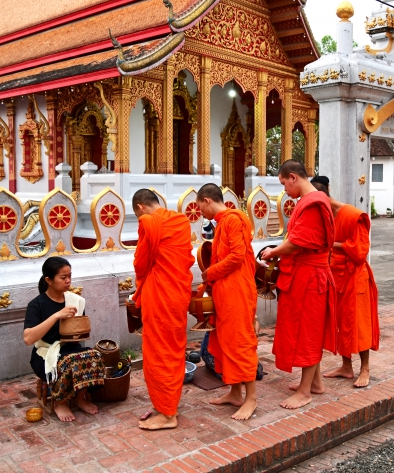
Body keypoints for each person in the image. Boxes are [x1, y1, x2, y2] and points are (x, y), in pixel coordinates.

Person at [260, 160, 337, 409]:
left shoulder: (313, 202)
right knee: (306, 329)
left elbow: (297, 243)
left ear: (293, 177)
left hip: (310, 276)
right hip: (305, 273)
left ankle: (305, 392)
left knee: (308, 333)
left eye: (284, 184)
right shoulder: (311, 200)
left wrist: (273, 252)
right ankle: (315, 383)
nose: (285, 191)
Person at [131, 189, 194, 430]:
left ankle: (168, 415)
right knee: (174, 350)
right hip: (178, 293)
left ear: (140, 208)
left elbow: (141, 263)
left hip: (160, 294)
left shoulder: (148, 222)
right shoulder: (180, 220)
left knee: (158, 352)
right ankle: (167, 405)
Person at [196, 183, 259, 420]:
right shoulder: (223, 222)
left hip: (237, 292)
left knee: (241, 342)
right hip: (226, 292)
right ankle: (235, 392)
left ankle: (251, 398)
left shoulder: (234, 219)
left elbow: (236, 256)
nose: (200, 211)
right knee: (225, 342)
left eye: (200, 206)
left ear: (207, 200)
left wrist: (210, 273)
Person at [312, 181, 380, 388]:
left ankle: (365, 368)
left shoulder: (352, 215)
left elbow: (360, 251)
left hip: (355, 276)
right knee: (340, 322)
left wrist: (333, 244)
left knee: (358, 324)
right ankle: (346, 366)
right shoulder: (325, 216)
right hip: (335, 275)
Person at [23, 257, 105, 422]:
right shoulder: (36, 305)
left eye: (70, 276)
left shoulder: (75, 301)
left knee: (94, 355)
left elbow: (79, 332)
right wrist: (56, 316)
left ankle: (80, 398)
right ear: (49, 280)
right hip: (45, 355)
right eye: (63, 277)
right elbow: (28, 338)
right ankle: (60, 402)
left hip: (71, 350)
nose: (68, 281)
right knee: (67, 361)